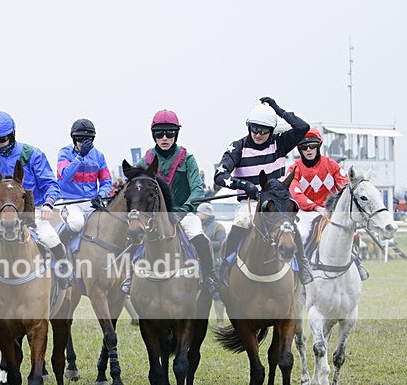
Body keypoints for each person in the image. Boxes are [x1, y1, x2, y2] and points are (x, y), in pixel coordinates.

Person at [213, 97, 313, 285]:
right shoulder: (238, 147)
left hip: (277, 200)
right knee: (241, 221)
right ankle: (225, 267)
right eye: (254, 129)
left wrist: (278, 110)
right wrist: (243, 185)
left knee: (289, 222)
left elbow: (302, 127)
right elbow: (219, 175)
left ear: (271, 130)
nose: (258, 134)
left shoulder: (280, 143)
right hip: (250, 202)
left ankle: (303, 263)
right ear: (248, 127)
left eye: (264, 131)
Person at [130, 109, 220, 295]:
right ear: (153, 135)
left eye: (169, 133)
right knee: (133, 236)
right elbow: (135, 186)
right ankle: (129, 277)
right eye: (159, 133)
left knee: (199, 236)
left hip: (183, 214)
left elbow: (197, 188)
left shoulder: (188, 159)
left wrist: (184, 210)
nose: (164, 137)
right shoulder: (145, 160)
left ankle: (210, 276)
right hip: (154, 216)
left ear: (176, 134)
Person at [0, 110, 70, 288]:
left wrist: (49, 204)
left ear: (12, 135)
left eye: (2, 140)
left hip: (34, 212)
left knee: (50, 238)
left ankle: (64, 272)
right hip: (3, 217)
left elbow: (50, 184)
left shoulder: (32, 154)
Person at [288, 128, 369, 281]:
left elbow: (344, 187)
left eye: (312, 146)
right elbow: (294, 191)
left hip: (330, 211)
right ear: (300, 149)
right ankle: (300, 269)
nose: (309, 150)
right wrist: (315, 207)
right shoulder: (294, 168)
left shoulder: (331, 165)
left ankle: (357, 264)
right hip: (306, 212)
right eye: (304, 147)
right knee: (302, 233)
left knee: (354, 233)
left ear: (318, 146)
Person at [55, 118, 112, 246]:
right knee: (77, 223)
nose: (83, 143)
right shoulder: (64, 153)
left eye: (87, 140)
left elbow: (106, 181)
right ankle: (59, 248)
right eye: (80, 139)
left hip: (91, 202)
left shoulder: (99, 156)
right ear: (74, 139)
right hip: (70, 202)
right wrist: (80, 157)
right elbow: (66, 176)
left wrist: (100, 195)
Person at [196, 202, 227, 326]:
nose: (197, 214)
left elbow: (221, 243)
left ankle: (220, 321)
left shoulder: (218, 227)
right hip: (199, 264)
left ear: (205, 214)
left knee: (216, 294)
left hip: (215, 264)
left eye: (199, 212)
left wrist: (204, 244)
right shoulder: (198, 226)